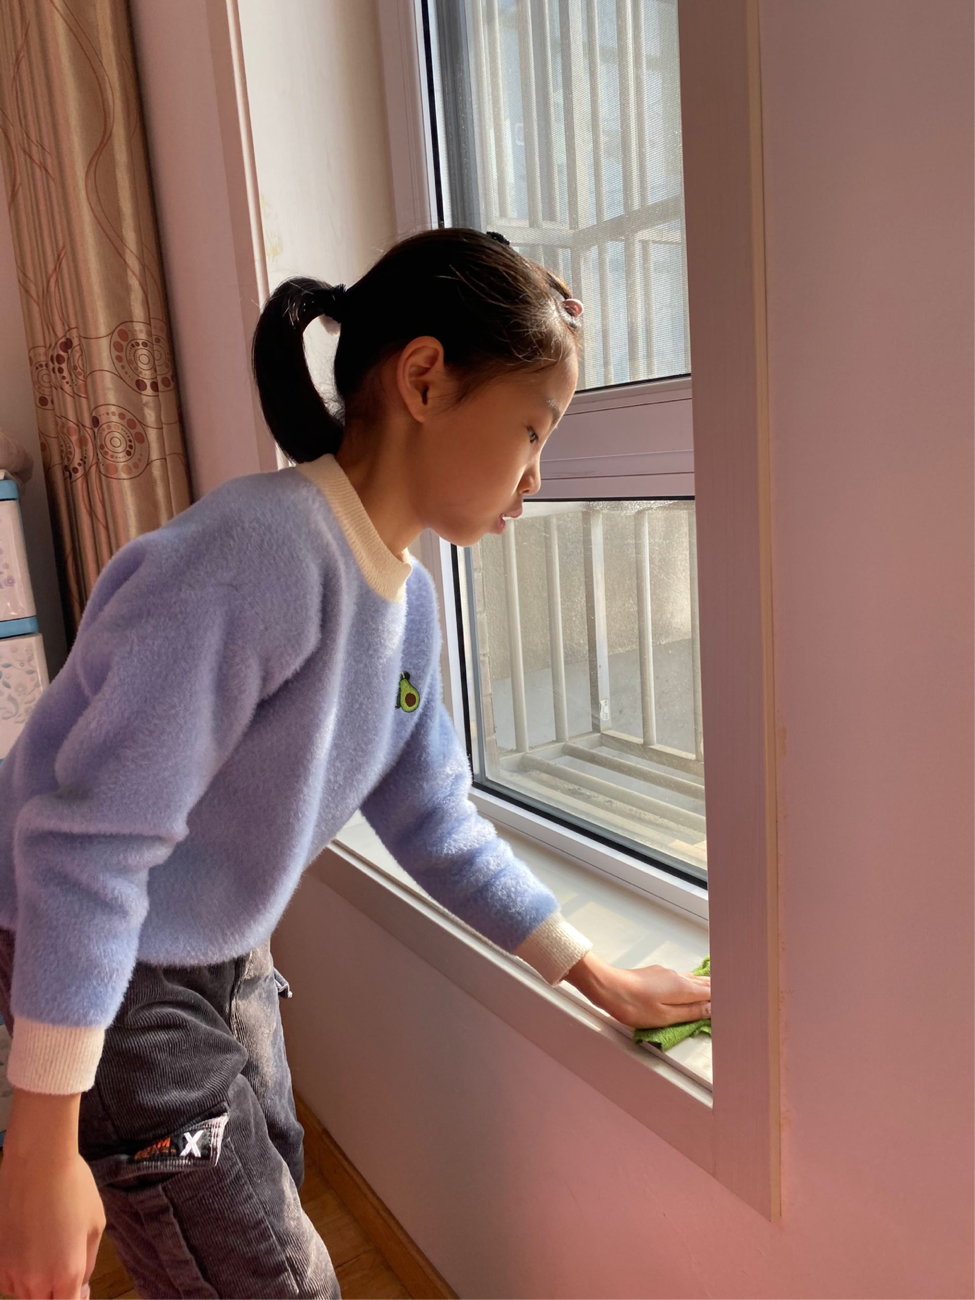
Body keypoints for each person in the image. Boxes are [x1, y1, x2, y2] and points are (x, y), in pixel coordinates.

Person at [0, 227, 711, 1300]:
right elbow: (86, 845)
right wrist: (39, 1150)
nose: (536, 478)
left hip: (222, 950)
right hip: (111, 967)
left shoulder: (407, 607)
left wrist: (597, 975)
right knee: (275, 1277)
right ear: (424, 379)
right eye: (532, 428)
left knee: (265, 1208)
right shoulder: (256, 555)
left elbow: (435, 820)